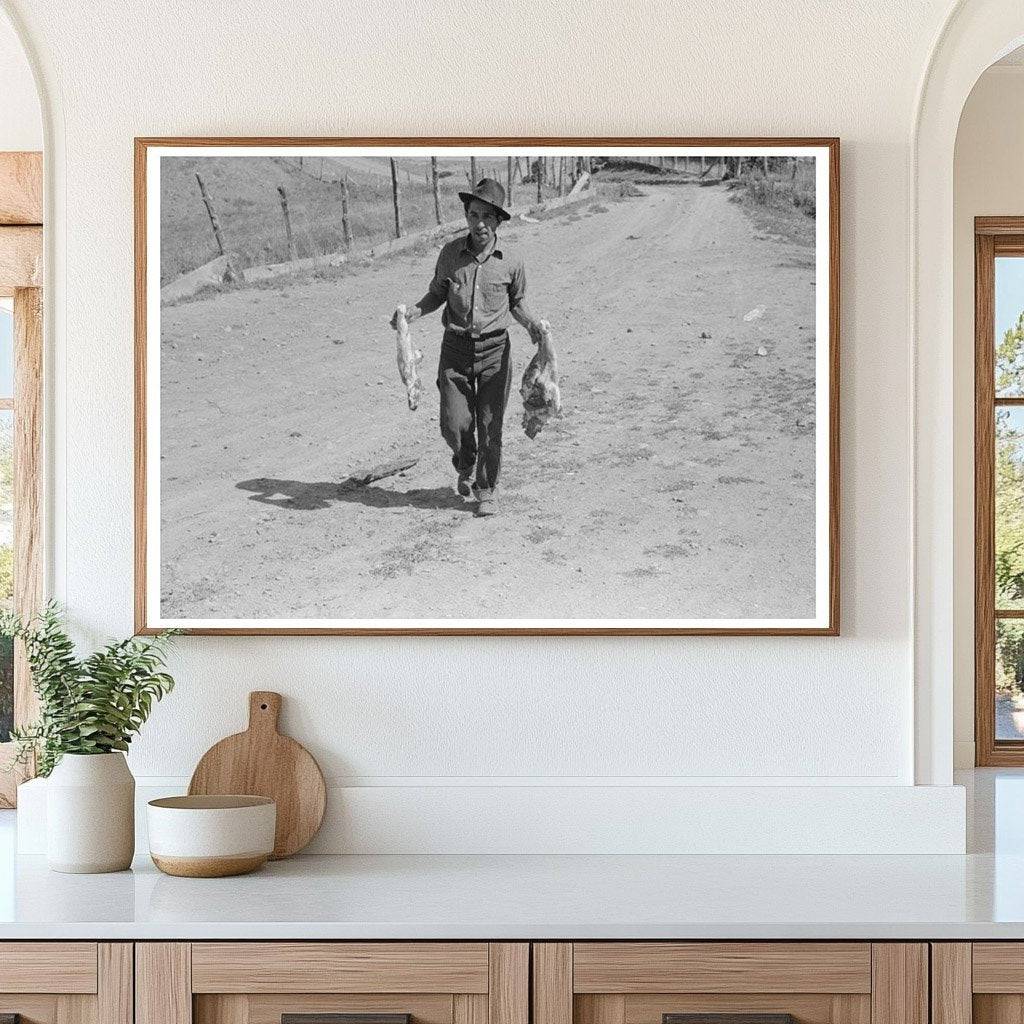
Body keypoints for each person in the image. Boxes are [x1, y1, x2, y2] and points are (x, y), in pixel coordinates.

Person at [392, 178, 544, 517]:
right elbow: (436, 294)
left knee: (491, 425)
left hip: (494, 353)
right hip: (456, 351)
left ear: (498, 221)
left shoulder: (511, 261)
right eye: (473, 215)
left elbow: (517, 303)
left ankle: (486, 486)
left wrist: (532, 325)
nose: (479, 224)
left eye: (487, 217)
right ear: (465, 215)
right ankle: (465, 459)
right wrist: (414, 312)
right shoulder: (450, 255)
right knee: (453, 422)